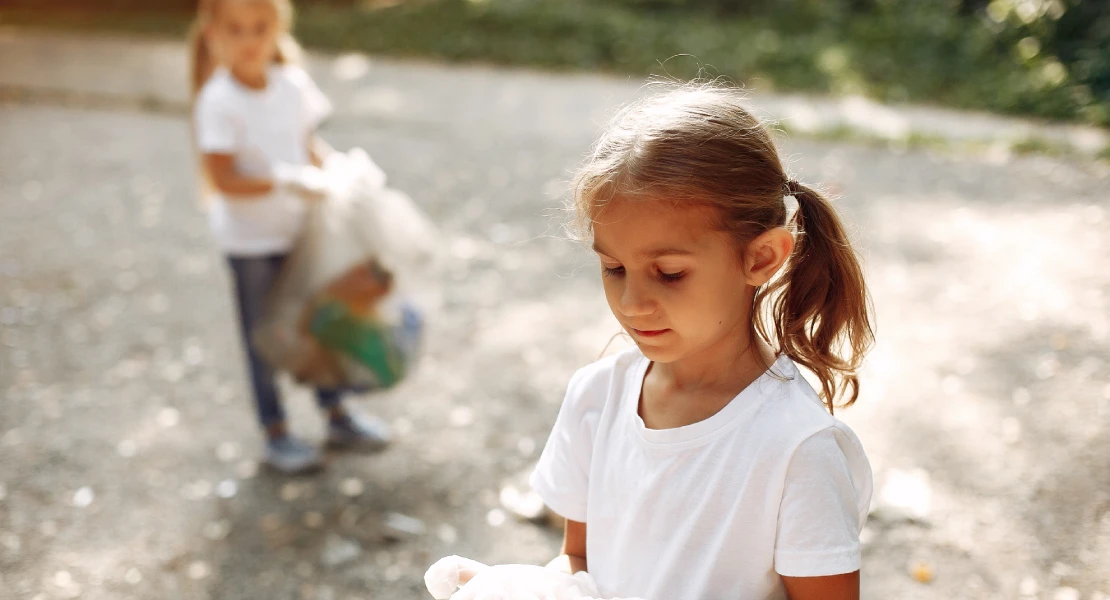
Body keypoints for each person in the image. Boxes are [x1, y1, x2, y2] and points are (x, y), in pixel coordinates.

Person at [528, 82, 875, 599]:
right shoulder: (596, 399)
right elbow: (577, 558)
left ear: (760, 258)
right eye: (614, 268)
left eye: (668, 273)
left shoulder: (797, 450)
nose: (631, 304)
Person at [188, 0, 390, 474]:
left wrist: (339, 173)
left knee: (320, 324)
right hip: (251, 245)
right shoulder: (218, 101)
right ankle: (275, 431)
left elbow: (308, 148)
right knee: (263, 336)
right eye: (236, 30)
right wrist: (283, 179)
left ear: (277, 29)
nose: (250, 40)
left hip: (300, 232)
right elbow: (224, 179)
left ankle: (336, 413)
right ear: (214, 34)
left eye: (260, 28)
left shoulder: (293, 86)